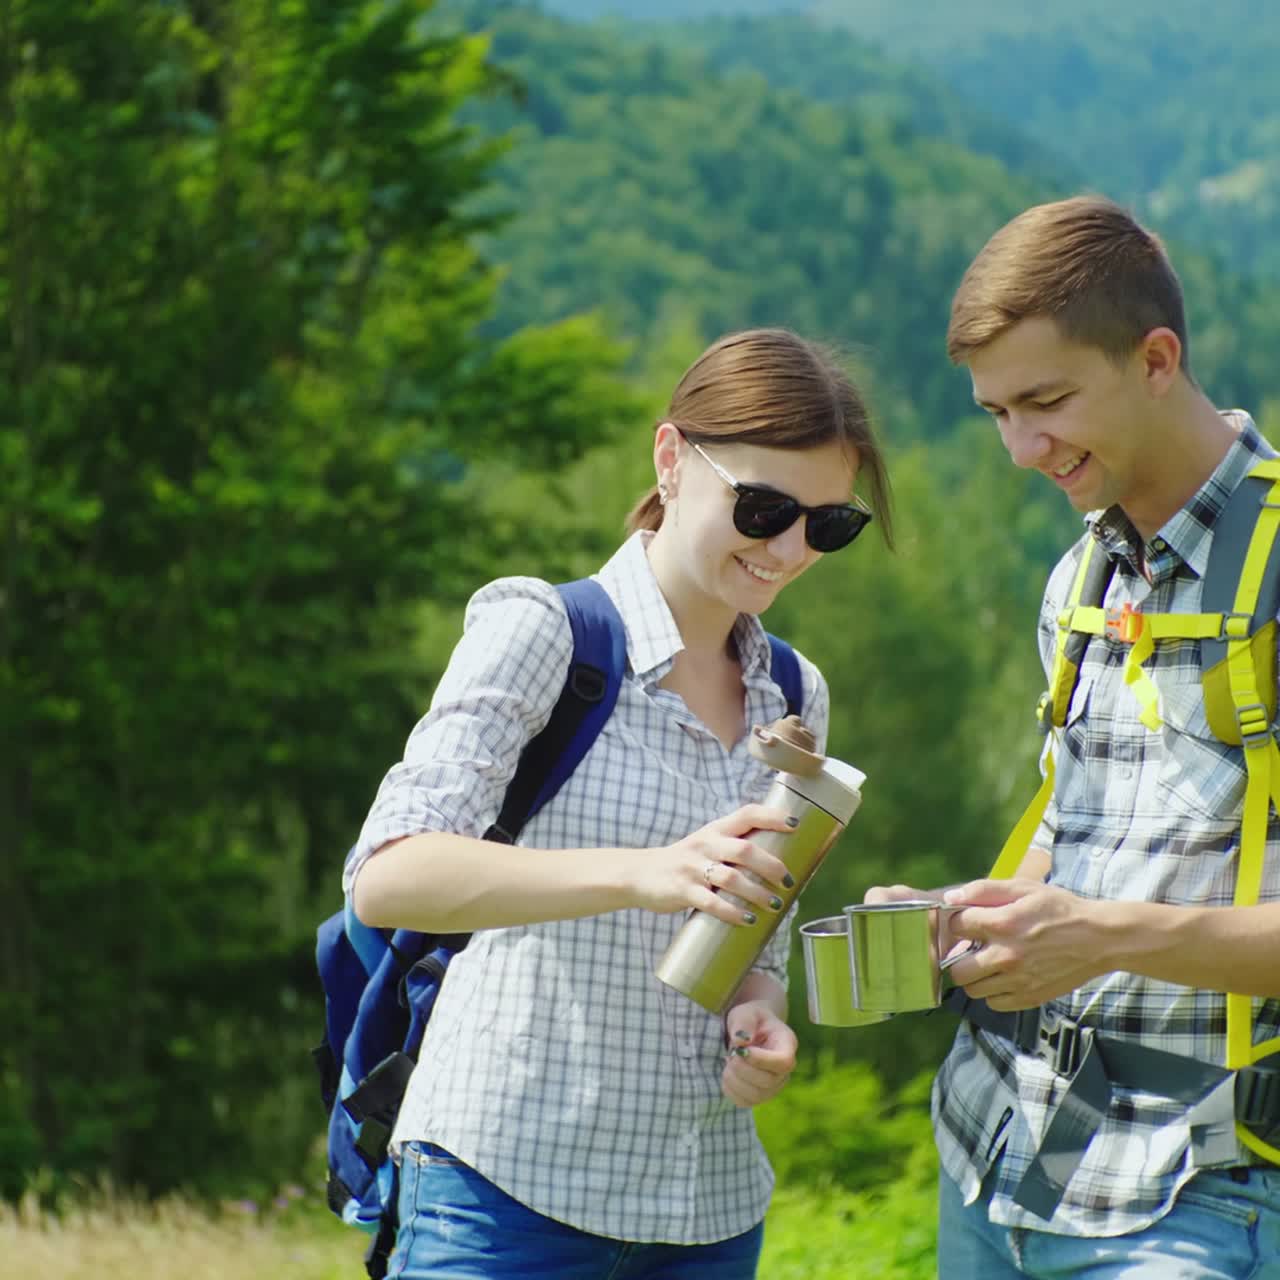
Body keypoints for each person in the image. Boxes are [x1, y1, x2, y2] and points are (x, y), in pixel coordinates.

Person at [345, 327, 893, 1279]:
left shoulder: (797, 696)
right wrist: (645, 873)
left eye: (828, 524)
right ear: (672, 458)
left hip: (706, 1213)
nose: (791, 548)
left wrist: (759, 1019)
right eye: (762, 507)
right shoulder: (545, 632)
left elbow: (751, 940)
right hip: (504, 1196)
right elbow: (389, 877)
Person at [868, 195, 1280, 1277]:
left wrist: (1096, 934)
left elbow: (1102, 915)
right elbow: (1079, 830)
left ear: (1155, 357)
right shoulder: (1082, 574)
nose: (1019, 448)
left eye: (1044, 401)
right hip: (991, 1159)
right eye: (994, 413)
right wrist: (975, 910)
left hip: (1197, 1191)